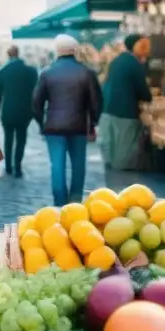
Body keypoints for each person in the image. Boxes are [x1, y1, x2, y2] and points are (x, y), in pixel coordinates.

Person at [33, 35, 101, 206]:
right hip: (79, 126)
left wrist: (41, 123)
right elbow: (96, 102)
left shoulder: (47, 73)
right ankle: (75, 201)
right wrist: (93, 123)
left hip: (54, 127)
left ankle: (59, 202)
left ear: (57, 50)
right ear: (75, 50)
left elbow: (36, 102)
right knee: (78, 165)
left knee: (57, 165)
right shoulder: (87, 73)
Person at [98, 34, 152, 171]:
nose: (147, 49)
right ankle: (123, 184)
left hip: (108, 110)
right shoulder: (134, 64)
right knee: (124, 155)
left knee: (111, 151)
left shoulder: (117, 60)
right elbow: (144, 93)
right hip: (125, 113)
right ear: (135, 46)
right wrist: (149, 95)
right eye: (143, 45)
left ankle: (113, 178)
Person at [0, 45, 38, 177]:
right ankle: (18, 167)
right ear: (19, 54)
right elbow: (35, 92)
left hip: (8, 111)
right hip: (25, 111)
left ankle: (8, 167)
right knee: (21, 139)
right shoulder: (31, 71)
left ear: (8, 55)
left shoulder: (3, 71)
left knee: (8, 139)